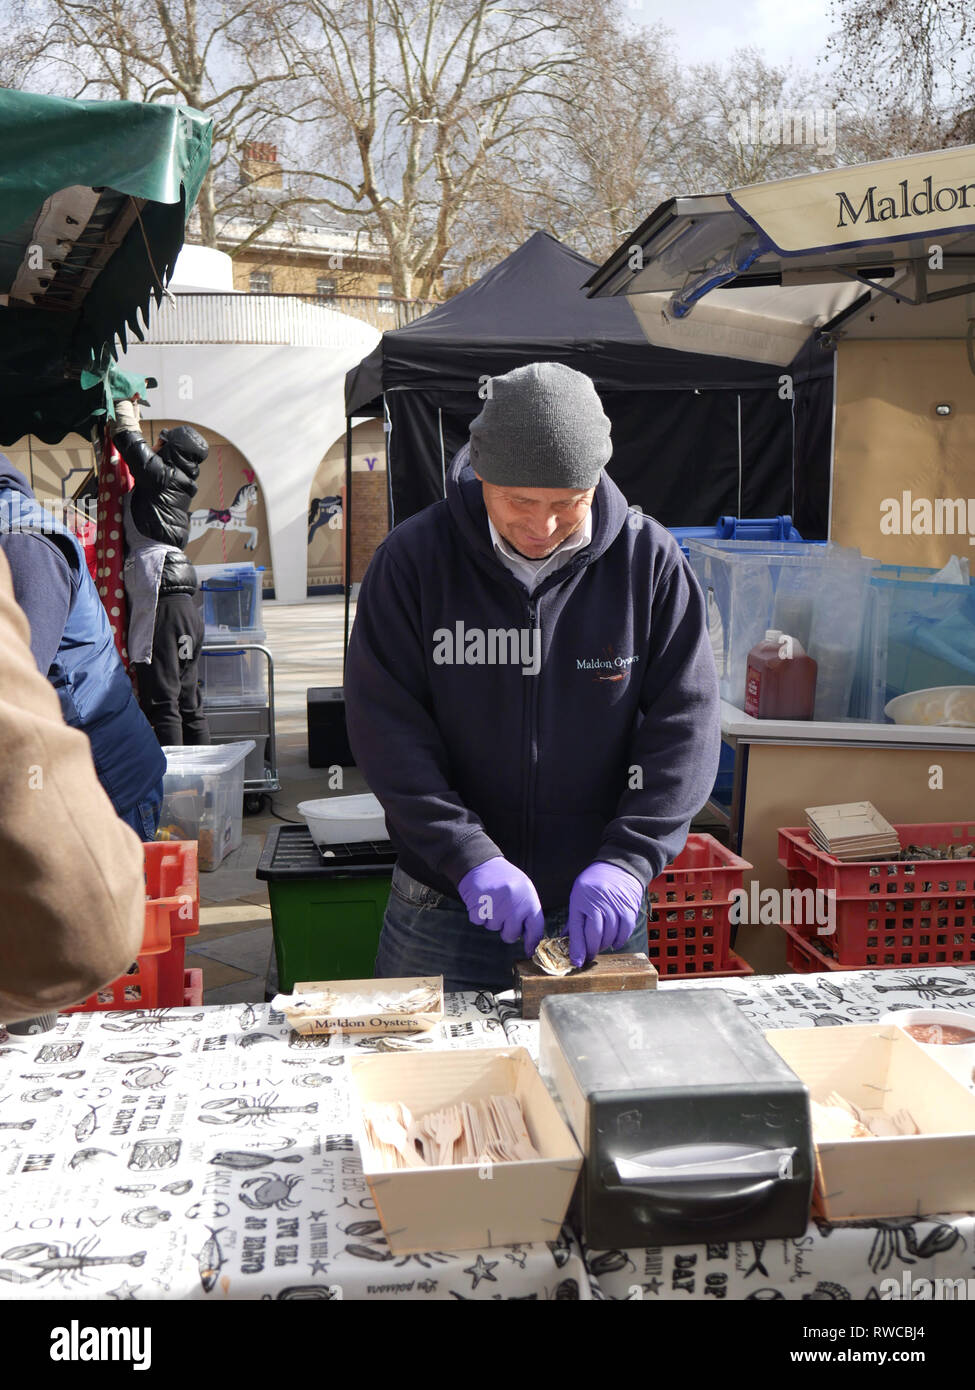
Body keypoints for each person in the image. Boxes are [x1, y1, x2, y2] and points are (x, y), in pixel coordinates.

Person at [345, 361, 721, 994]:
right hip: (442, 904)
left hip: (598, 909)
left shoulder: (648, 562)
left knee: (603, 1083)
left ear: (594, 481)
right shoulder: (412, 561)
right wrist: (466, 855)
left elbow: (686, 724)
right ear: (482, 473)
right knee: (431, 1079)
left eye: (566, 504)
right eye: (520, 501)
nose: (542, 526)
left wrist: (631, 861)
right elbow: (386, 728)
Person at [0, 548, 146, 1023]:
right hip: (85, 775)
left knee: (104, 985)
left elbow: (84, 929)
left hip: (104, 777)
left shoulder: (26, 548)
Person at [0, 456, 167, 840]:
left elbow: (17, 687)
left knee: (106, 900)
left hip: (107, 784)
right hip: (73, 777)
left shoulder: (21, 542)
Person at [110, 398, 211, 747]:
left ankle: (176, 791)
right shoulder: (176, 484)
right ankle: (203, 790)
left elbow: (128, 440)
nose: (154, 445)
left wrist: (123, 402)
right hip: (183, 603)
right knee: (188, 702)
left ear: (168, 451)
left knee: (163, 702)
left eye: (161, 443)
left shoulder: (162, 477)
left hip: (162, 599)